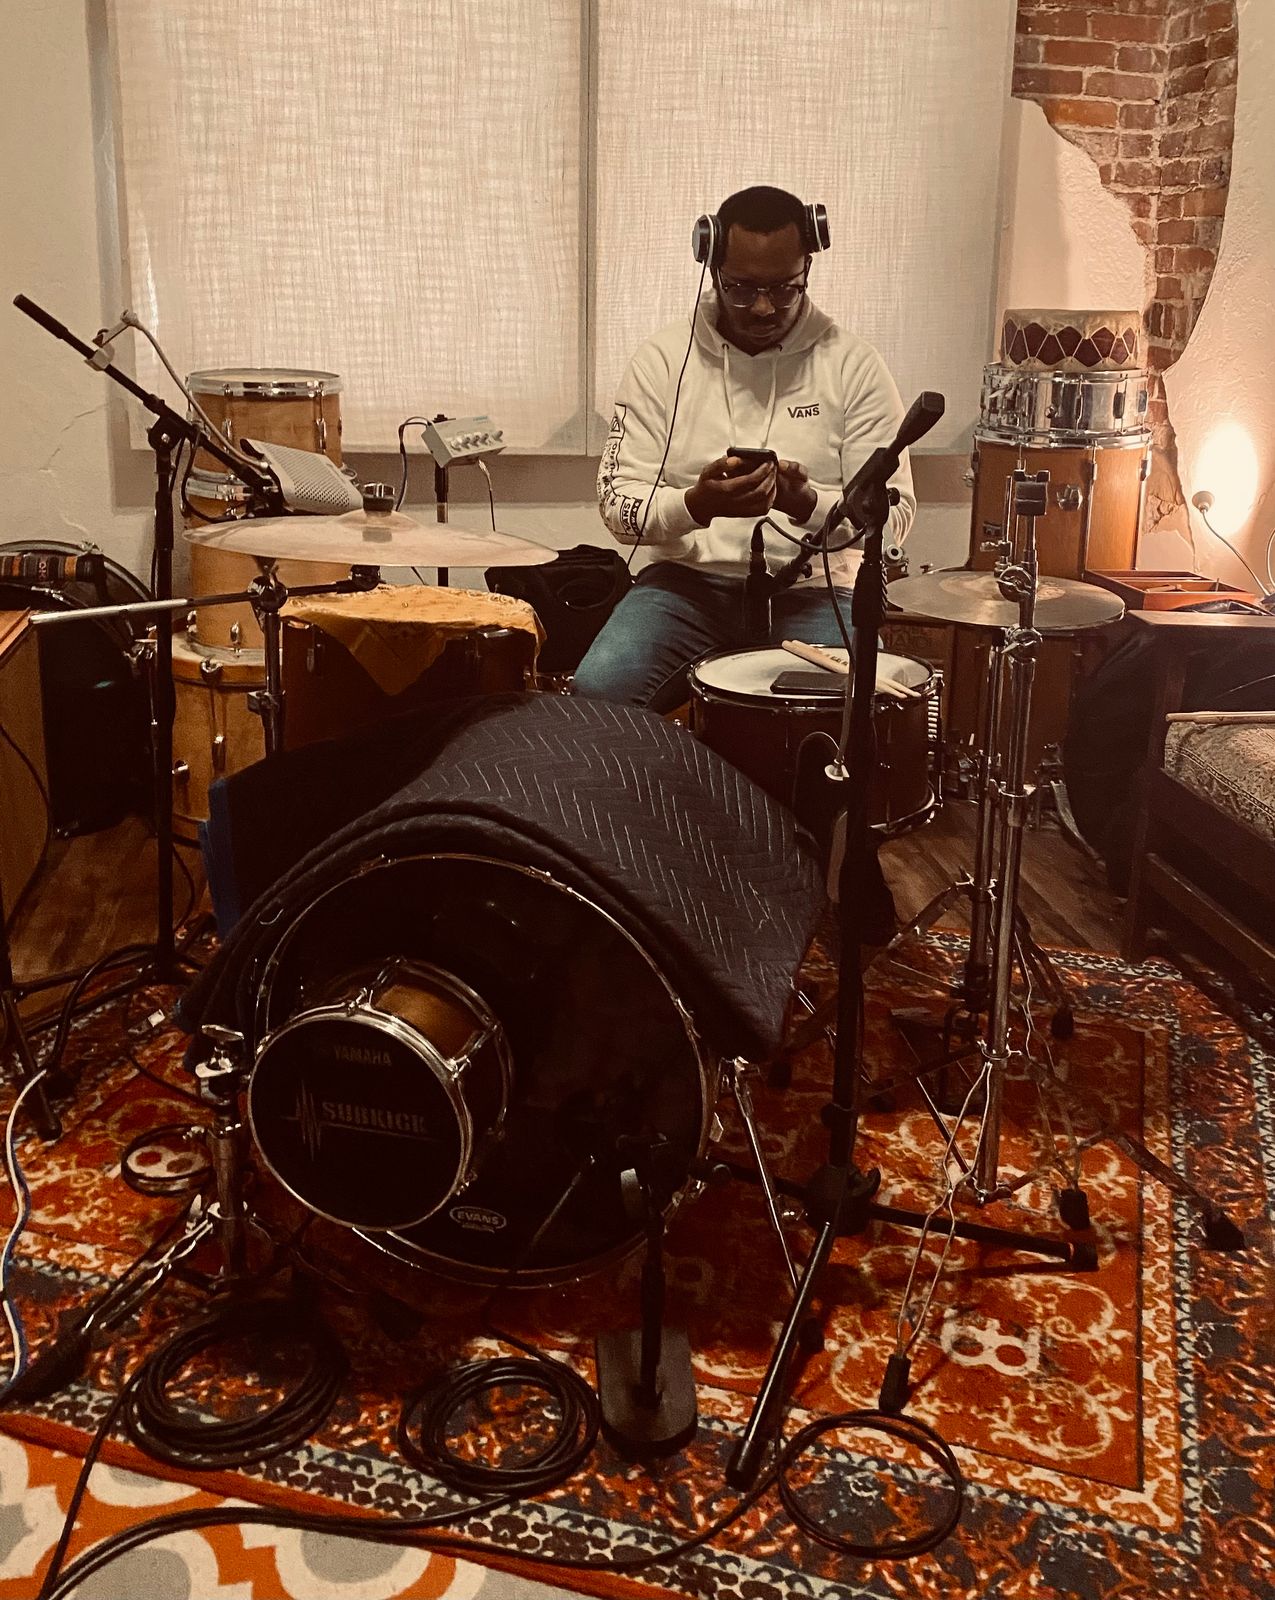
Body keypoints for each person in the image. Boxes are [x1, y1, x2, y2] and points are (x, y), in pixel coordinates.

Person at [574, 184, 917, 710]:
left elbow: (893, 523)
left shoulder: (855, 366)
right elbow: (617, 507)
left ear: (807, 267)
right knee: (599, 691)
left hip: (814, 588)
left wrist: (807, 503)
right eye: (741, 288)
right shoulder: (662, 362)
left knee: (848, 710)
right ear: (711, 267)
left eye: (783, 289)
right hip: (684, 586)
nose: (762, 307)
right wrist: (696, 505)